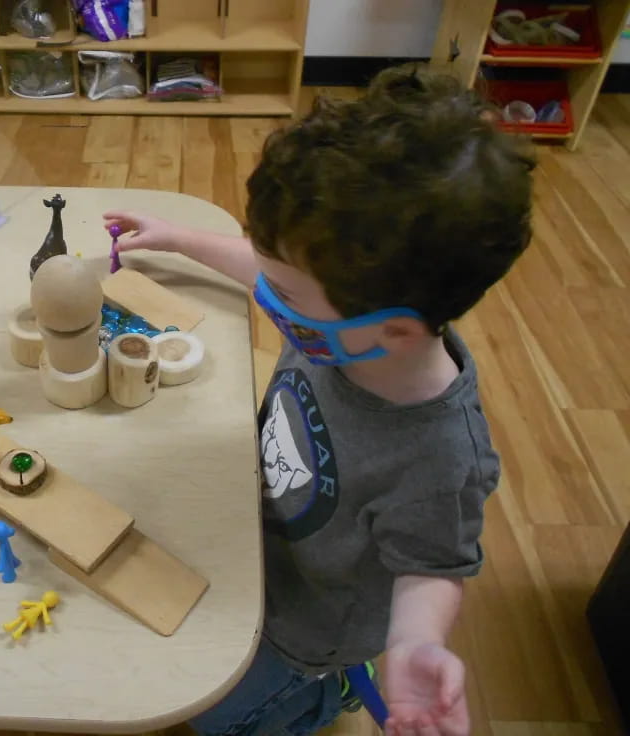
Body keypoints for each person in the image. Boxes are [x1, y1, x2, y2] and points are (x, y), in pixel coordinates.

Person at [103, 65, 535, 736]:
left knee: (207, 716)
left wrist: (416, 645)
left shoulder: (441, 461)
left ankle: (326, 696)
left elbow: (431, 567)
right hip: (257, 536)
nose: (270, 299)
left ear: (396, 329)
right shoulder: (351, 322)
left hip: (301, 632)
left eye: (288, 296)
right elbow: (269, 270)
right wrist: (180, 238)